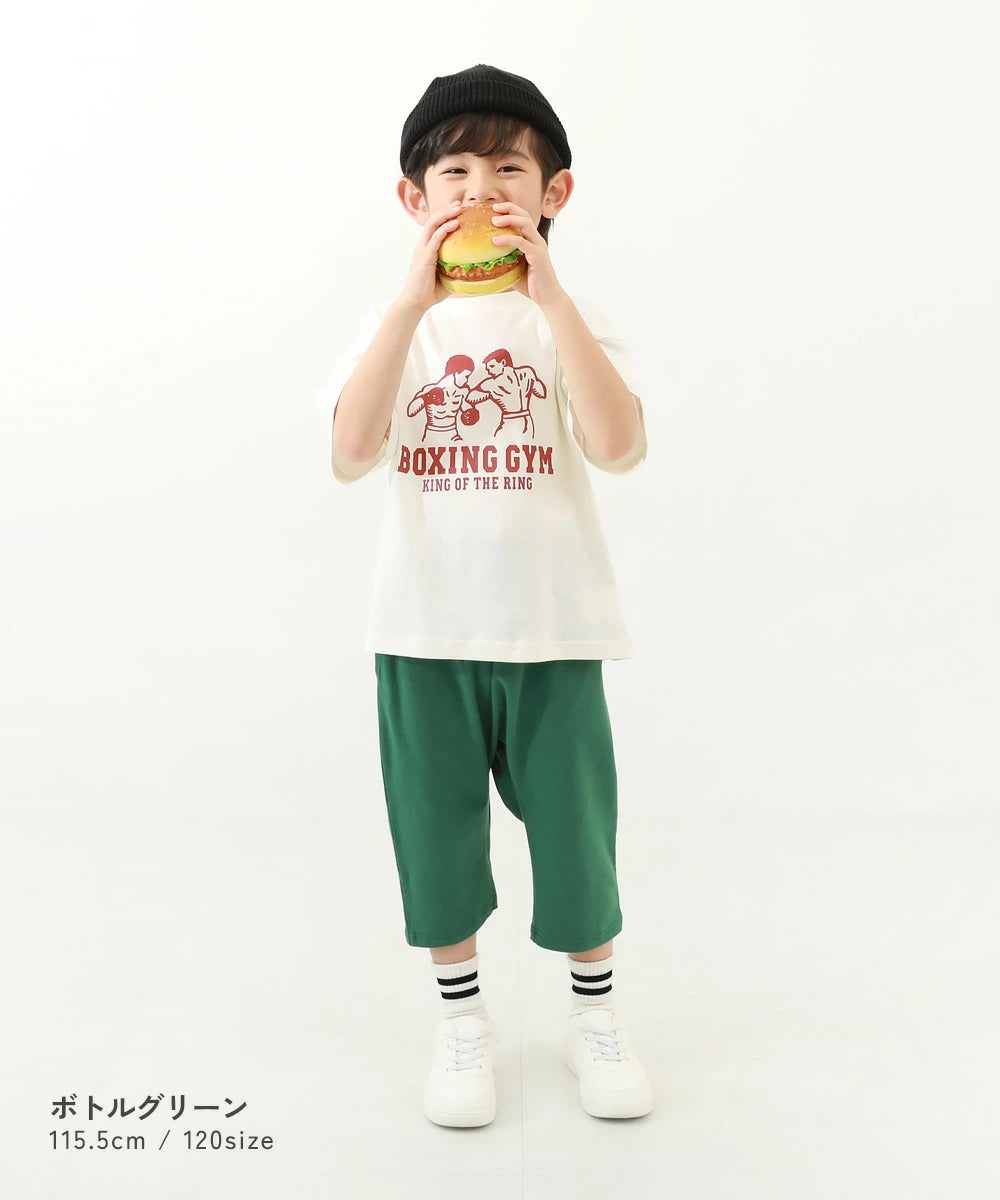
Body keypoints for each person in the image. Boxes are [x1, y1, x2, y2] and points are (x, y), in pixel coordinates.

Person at [316, 64, 653, 1126]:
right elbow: (350, 453)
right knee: (437, 837)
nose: (479, 191)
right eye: (453, 171)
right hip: (423, 629)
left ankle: (595, 1017)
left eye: (508, 169)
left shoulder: (568, 319)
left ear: (554, 192)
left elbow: (619, 445)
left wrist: (551, 297)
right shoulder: (396, 326)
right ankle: (461, 1023)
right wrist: (409, 306)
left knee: (577, 836)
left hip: (553, 628)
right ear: (412, 198)